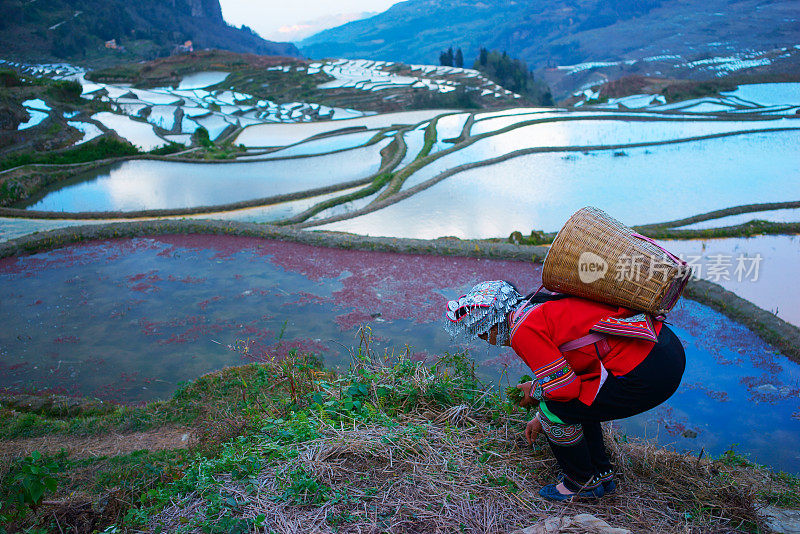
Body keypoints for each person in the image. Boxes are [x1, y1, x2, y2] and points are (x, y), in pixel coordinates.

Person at [444, 280, 686, 502]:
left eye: (484, 332)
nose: (487, 340)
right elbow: (579, 375)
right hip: (662, 347)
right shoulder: (539, 306)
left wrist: (535, 392)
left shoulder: (522, 329)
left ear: (493, 323)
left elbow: (564, 388)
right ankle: (602, 473)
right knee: (580, 404)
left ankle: (581, 483)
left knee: (555, 408)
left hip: (646, 371)